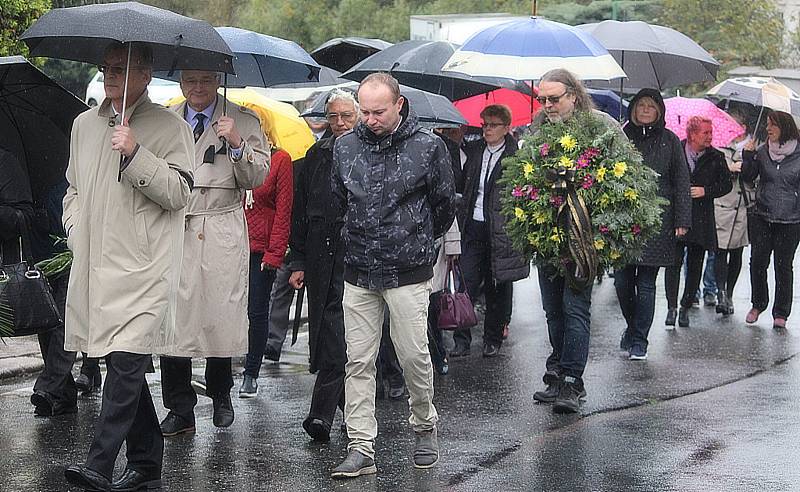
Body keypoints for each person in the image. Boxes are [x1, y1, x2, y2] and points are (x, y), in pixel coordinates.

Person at [62, 42, 194, 491]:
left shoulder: (169, 127)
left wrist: (136, 153)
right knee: (118, 359)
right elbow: (73, 190)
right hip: (96, 263)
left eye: (122, 68)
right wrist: (76, 229)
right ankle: (147, 460)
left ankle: (98, 464)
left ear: (145, 74)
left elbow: (180, 193)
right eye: (107, 68)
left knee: (125, 360)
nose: (112, 76)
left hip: (144, 267)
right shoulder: (84, 124)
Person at [330, 73, 455, 478]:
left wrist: (416, 241)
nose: (369, 118)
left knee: (414, 355)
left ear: (399, 105)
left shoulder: (429, 147)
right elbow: (338, 201)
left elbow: (443, 206)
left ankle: (424, 425)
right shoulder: (344, 147)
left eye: (378, 111)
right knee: (358, 360)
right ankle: (361, 445)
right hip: (359, 269)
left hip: (407, 269)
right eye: (363, 111)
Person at [159, 69, 268, 436]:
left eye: (206, 80)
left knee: (219, 315)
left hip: (220, 225)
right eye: (190, 80)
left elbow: (258, 177)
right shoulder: (167, 120)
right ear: (180, 84)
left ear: (217, 80)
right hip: (177, 225)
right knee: (174, 321)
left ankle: (221, 394)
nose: (198, 88)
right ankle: (179, 408)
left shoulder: (242, 119)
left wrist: (237, 144)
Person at [529, 69, 624, 414]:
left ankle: (572, 381)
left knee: (574, 308)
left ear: (574, 94)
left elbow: (623, 176)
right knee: (553, 310)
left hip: (584, 237)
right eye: (542, 99)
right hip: (545, 234)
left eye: (554, 99)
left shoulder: (601, 126)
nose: (548, 105)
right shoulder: (538, 128)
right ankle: (557, 370)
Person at [288, 89, 356, 441]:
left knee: (340, 337)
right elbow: (299, 214)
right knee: (330, 335)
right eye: (334, 117)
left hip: (357, 260)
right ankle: (353, 412)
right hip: (320, 259)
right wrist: (296, 259)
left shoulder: (370, 151)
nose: (340, 123)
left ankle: (321, 414)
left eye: (347, 115)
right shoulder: (316, 156)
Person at [1, 149, 79, 416]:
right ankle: (64, 395)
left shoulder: (60, 172)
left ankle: (48, 386)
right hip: (39, 256)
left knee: (64, 322)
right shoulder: (18, 169)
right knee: (47, 326)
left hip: (70, 252)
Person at [615, 89, 691, 360]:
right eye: (640, 105)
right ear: (633, 109)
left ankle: (640, 340)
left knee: (646, 282)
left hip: (658, 221)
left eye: (651, 106)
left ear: (659, 111)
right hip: (622, 219)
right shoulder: (621, 137)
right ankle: (632, 327)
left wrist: (682, 220)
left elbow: (682, 181)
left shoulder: (670, 141)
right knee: (622, 281)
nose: (645, 110)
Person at [451, 104, 529, 358]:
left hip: (501, 229)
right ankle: (461, 338)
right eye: (485, 124)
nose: (487, 129)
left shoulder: (516, 157)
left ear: (507, 128)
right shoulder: (474, 151)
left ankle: (492, 337)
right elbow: (462, 182)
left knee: (498, 286)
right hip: (473, 225)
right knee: (467, 283)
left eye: (493, 125)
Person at [664, 116, 731, 328]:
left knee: (695, 266)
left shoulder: (716, 157)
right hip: (677, 215)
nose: (710, 137)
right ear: (692, 134)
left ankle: (685, 306)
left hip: (701, 220)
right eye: (705, 133)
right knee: (672, 263)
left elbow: (726, 185)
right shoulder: (676, 150)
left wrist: (705, 191)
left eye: (711, 133)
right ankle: (671, 307)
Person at [240, 146, 293, 397]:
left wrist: (275, 253)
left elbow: (284, 211)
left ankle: (251, 372)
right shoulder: (230, 155)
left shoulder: (279, 160)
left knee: (256, 311)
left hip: (261, 249)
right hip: (230, 244)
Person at [741, 110, 800, 329]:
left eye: (773, 125)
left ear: (785, 127)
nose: (768, 129)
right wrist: (748, 157)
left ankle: (781, 313)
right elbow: (747, 177)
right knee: (757, 262)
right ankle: (758, 304)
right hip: (763, 215)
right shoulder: (762, 151)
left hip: (791, 219)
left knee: (783, 266)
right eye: (767, 124)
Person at [714, 117, 754, 316]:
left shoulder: (753, 147)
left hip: (742, 206)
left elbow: (755, 175)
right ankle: (720, 292)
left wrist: (747, 160)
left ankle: (729, 293)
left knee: (737, 252)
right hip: (723, 205)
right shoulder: (720, 147)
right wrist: (729, 168)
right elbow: (713, 173)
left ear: (744, 127)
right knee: (720, 250)